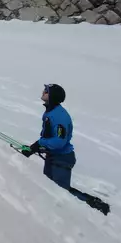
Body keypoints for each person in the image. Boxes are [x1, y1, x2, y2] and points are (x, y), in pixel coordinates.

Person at [22, 84, 110, 215]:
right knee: (49, 188)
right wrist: (35, 148)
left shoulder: (59, 116)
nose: (43, 92)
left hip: (61, 160)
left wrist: (38, 144)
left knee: (61, 193)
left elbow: (59, 142)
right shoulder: (51, 111)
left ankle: (94, 205)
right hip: (54, 157)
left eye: (46, 91)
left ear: (52, 96)